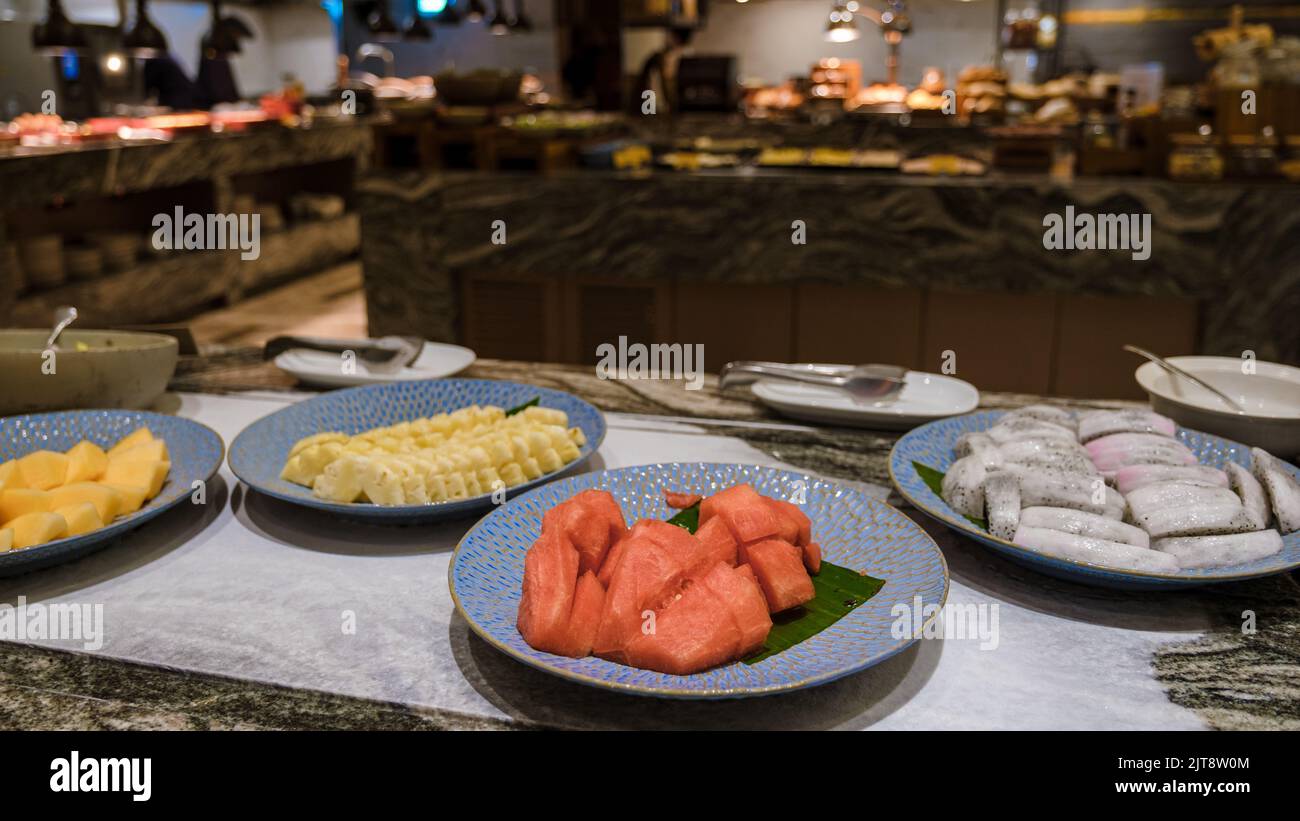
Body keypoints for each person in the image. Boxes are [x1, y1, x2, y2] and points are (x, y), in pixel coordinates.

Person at [637, 27, 693, 113]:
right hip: (667, 110)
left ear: (674, 37)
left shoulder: (666, 58)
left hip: (667, 109)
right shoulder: (691, 55)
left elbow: (654, 89)